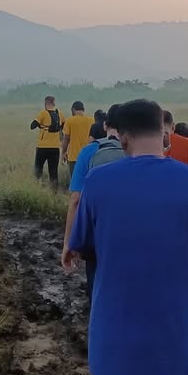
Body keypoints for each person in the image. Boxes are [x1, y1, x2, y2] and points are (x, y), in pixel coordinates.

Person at [64, 98, 188, 375]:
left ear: (122, 138)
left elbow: (83, 247)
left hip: (114, 353)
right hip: (180, 351)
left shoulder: (97, 182)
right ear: (165, 135)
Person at [63, 114, 122, 300]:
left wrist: (69, 243)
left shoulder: (90, 152)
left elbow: (76, 200)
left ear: (105, 126)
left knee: (96, 287)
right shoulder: (138, 152)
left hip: (97, 233)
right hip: (129, 235)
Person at [31, 95, 64, 186]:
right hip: (55, 147)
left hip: (42, 147)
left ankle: (36, 188)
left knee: (38, 170)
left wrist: (41, 125)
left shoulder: (43, 113)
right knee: (53, 172)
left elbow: (32, 126)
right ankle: (54, 193)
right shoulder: (59, 113)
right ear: (54, 103)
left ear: (45, 103)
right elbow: (63, 126)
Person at [60, 101, 92, 182]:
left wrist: (63, 152)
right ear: (83, 109)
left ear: (73, 110)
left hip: (74, 157)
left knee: (76, 182)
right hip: (88, 157)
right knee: (87, 181)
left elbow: (66, 138)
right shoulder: (91, 120)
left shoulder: (69, 121)